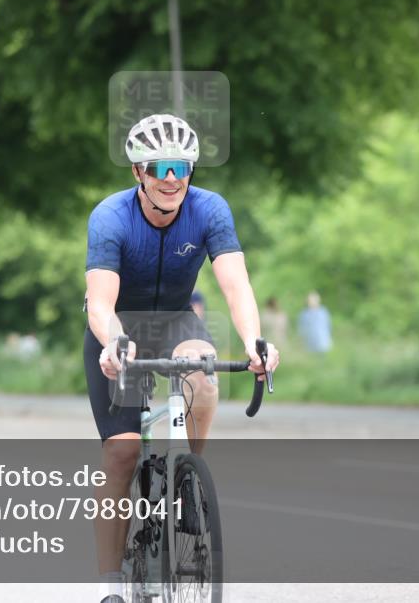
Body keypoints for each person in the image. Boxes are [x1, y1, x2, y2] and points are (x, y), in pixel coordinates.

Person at [84, 113, 280, 603]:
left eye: (182, 166)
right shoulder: (111, 215)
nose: (172, 177)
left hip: (175, 321)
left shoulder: (210, 210)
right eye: (159, 166)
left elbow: (236, 287)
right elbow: (102, 301)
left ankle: (188, 475)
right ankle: (110, 585)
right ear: (138, 172)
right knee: (122, 452)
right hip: (119, 328)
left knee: (205, 372)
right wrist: (114, 342)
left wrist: (256, 342)